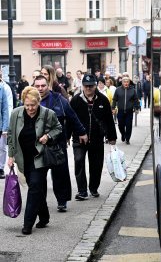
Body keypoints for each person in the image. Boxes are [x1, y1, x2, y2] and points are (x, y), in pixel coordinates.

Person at [7, 86, 62, 235]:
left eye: (33, 105)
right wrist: (11, 156)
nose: (30, 108)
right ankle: (44, 216)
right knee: (36, 188)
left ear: (39, 102)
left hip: (39, 157)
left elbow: (58, 128)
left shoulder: (48, 114)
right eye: (27, 105)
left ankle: (27, 224)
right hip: (23, 158)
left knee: (34, 188)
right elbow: (11, 135)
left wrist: (48, 136)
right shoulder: (15, 114)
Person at [34, 75, 88, 211]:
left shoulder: (59, 100)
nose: (40, 88)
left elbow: (72, 117)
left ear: (48, 85)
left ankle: (62, 201)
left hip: (57, 144)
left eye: (43, 86)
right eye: (37, 86)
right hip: (38, 145)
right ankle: (40, 204)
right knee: (38, 177)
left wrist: (82, 132)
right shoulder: (31, 100)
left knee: (60, 174)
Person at [70, 74, 117, 200]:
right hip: (79, 138)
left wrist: (112, 137)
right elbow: (70, 120)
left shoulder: (103, 100)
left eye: (91, 85)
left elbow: (109, 120)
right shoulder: (75, 100)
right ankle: (82, 191)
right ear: (82, 86)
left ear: (95, 86)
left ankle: (93, 188)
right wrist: (66, 136)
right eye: (86, 86)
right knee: (79, 162)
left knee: (96, 165)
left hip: (97, 138)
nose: (88, 88)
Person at [112, 77, 140, 145]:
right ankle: (123, 134)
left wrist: (137, 108)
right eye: (124, 82)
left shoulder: (133, 90)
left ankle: (127, 139)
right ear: (122, 82)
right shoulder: (118, 90)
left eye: (127, 82)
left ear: (129, 82)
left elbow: (136, 100)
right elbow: (114, 99)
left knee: (128, 125)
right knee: (120, 125)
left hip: (129, 111)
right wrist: (113, 108)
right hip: (120, 111)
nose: (126, 83)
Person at [0, 70, 12, 179]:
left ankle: (0, 168)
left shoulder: (3, 88)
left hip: (1, 124)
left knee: (2, 147)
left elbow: (6, 108)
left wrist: (6, 126)